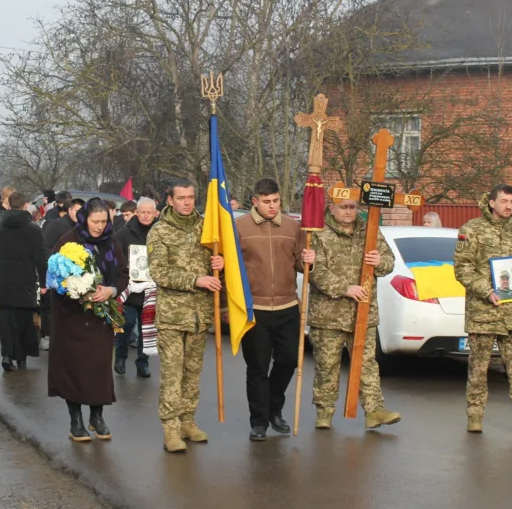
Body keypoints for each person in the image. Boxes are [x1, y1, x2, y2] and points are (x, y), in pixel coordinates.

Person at [453, 185, 512, 436]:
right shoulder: (472, 230)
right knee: (479, 367)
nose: (509, 206)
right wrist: (487, 290)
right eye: (504, 201)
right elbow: (462, 269)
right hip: (484, 311)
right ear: (491, 203)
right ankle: (475, 415)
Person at [308, 195, 401, 431]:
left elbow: (389, 261)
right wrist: (345, 289)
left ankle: (374, 410)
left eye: (353, 207)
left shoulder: (369, 231)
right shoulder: (319, 233)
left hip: (363, 314)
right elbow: (315, 271)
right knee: (327, 365)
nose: (349, 212)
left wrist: (379, 261)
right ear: (331, 208)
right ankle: (325, 412)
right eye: (344, 207)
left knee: (366, 364)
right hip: (328, 314)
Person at [147, 179, 224, 453]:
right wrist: (196, 280)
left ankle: (188, 421)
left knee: (193, 372)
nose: (187, 202)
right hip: (172, 316)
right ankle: (170, 427)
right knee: (172, 373)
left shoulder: (207, 227)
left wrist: (220, 265)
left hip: (199, 315)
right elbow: (159, 272)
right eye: (181, 197)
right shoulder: (160, 232)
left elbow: (219, 265)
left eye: (191, 197)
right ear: (169, 200)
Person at [235, 178, 316, 441]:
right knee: (257, 367)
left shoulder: (293, 227)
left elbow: (300, 263)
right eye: (267, 202)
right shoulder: (240, 227)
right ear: (255, 201)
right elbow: (232, 267)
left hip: (287, 305)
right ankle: (259, 422)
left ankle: (274, 407)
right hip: (254, 307)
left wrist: (308, 262)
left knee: (289, 360)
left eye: (276, 201)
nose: (272, 206)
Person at [48, 198, 128, 442]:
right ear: (84, 218)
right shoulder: (68, 241)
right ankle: (76, 420)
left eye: (104, 221)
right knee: (73, 369)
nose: (99, 227)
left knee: (97, 369)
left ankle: (97, 416)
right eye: (95, 221)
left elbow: (123, 274)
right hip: (71, 319)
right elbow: (55, 277)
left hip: (100, 318)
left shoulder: (111, 241)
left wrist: (111, 291)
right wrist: (78, 291)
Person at [0, 192, 45, 371]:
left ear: (9, 205)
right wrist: (45, 282)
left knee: (7, 320)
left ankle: (7, 355)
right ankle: (22, 358)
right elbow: (41, 258)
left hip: (4, 280)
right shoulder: (34, 229)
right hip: (25, 280)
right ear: (26, 205)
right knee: (25, 319)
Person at [114, 196, 158, 378]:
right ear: (136, 213)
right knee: (127, 323)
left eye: (150, 212)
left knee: (146, 329)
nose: (146, 216)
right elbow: (115, 256)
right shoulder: (124, 233)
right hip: (129, 289)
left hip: (151, 290)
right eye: (143, 212)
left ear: (156, 214)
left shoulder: (160, 232)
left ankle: (143, 363)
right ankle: (120, 357)